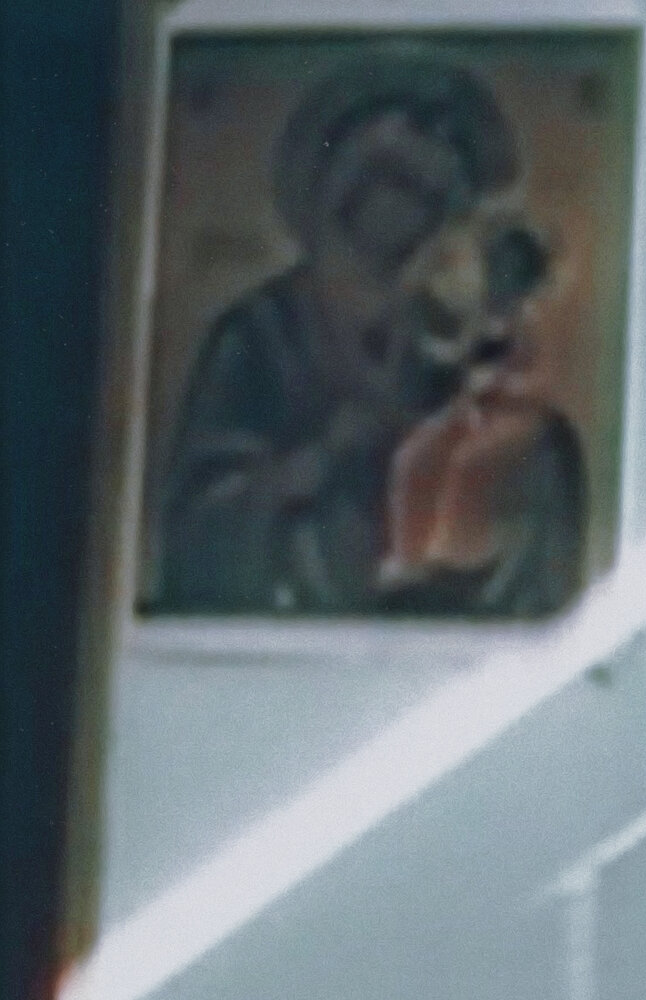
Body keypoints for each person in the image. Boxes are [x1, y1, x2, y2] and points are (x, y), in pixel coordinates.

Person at [157, 50, 586, 617]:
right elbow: (201, 539)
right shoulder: (259, 334)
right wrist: (330, 454)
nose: (398, 235)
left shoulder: (464, 323)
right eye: (382, 203)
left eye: (425, 209)